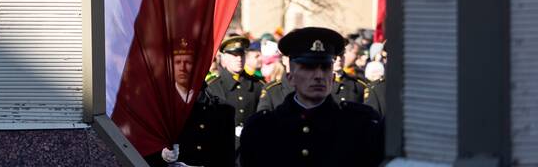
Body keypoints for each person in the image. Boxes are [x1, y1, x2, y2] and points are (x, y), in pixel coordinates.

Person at [239, 27, 384, 167]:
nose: (319, 76)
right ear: (290, 77)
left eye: (325, 67)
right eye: (309, 67)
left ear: (332, 77)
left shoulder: (358, 124)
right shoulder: (263, 129)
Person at [144, 39, 234, 167]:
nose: (182, 68)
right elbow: (143, 147)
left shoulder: (221, 109)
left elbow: (226, 158)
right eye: (177, 62)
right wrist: (161, 153)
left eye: (188, 62)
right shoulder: (156, 105)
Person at [203, 35, 261, 146]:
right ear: (224, 58)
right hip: (223, 146)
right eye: (234, 55)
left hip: (251, 146)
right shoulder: (213, 87)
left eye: (241, 54)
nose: (239, 59)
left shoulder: (258, 85)